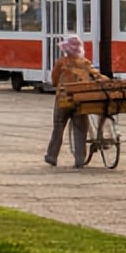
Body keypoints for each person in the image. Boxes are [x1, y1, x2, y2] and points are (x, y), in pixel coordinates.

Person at [45, 34, 103, 168]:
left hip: (63, 99)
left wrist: (57, 84)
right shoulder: (85, 63)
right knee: (81, 129)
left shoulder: (62, 62)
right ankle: (79, 159)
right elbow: (96, 75)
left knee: (58, 127)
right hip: (80, 100)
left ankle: (52, 156)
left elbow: (54, 79)